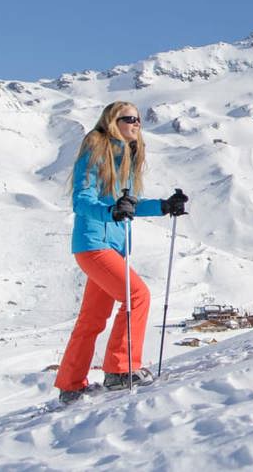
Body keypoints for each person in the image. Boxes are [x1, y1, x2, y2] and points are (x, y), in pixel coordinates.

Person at [54, 101, 188, 404]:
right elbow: (82, 200)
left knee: (92, 319)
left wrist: (165, 206)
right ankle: (119, 369)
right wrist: (111, 211)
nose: (136, 123)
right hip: (93, 243)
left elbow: (130, 205)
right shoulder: (96, 151)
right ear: (112, 121)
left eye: (139, 119)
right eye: (129, 118)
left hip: (111, 246)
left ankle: (71, 385)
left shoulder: (126, 158)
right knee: (137, 295)